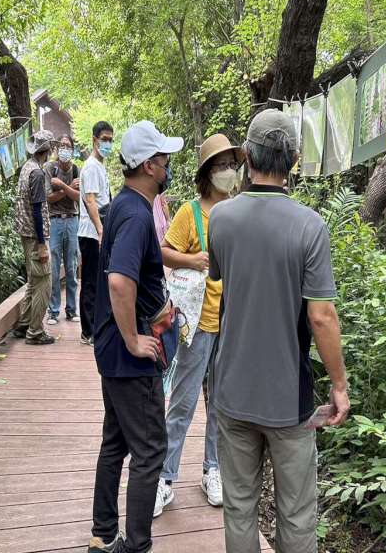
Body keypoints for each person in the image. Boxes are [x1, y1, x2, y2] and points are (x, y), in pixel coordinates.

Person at [208, 109, 350, 553]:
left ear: (246, 155)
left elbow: (224, 280)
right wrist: (340, 386)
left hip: (231, 391)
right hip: (289, 400)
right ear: (293, 159)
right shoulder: (310, 226)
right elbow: (322, 316)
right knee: (296, 514)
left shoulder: (221, 219)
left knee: (239, 509)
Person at [88, 121, 184, 553]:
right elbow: (120, 282)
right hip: (128, 355)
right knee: (150, 450)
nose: (168, 166)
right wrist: (132, 339)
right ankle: (136, 546)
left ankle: (103, 532)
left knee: (117, 440)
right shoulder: (136, 215)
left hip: (112, 351)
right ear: (149, 165)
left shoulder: (126, 206)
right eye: (164, 159)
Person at [153, 133, 243, 517]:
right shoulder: (191, 212)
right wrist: (194, 261)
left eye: (231, 165)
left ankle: (213, 470)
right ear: (207, 173)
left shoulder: (239, 210)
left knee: (221, 404)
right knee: (185, 401)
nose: (228, 172)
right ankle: (164, 478)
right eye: (221, 166)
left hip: (233, 324)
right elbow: (163, 252)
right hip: (198, 323)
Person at [11, 129, 58, 345]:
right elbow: (38, 209)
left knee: (33, 279)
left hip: (24, 232)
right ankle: (35, 331)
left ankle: (23, 324)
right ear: (46, 150)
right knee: (44, 282)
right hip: (34, 234)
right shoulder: (37, 174)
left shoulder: (26, 168)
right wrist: (42, 244)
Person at [79, 121, 114, 346]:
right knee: (91, 281)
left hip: (98, 231)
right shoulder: (91, 166)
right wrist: (101, 231)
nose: (108, 143)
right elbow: (90, 200)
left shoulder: (100, 166)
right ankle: (88, 331)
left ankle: (95, 327)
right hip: (91, 232)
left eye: (111, 140)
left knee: (99, 280)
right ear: (94, 140)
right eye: (104, 139)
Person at [45, 134, 81, 325]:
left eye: (68, 146)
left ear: (72, 149)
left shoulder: (76, 169)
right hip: (56, 220)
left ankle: (72, 310)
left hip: (73, 220)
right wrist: (68, 189)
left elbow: (78, 197)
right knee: (54, 267)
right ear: (57, 149)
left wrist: (62, 186)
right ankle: (53, 311)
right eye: (62, 146)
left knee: (72, 266)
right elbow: (48, 198)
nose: (64, 149)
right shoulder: (50, 168)